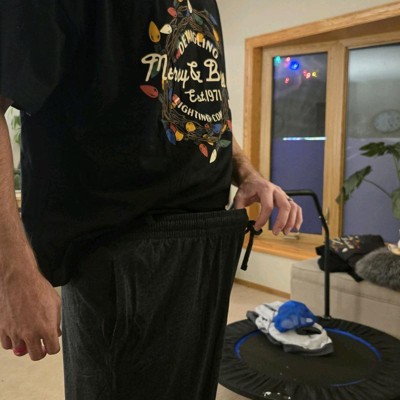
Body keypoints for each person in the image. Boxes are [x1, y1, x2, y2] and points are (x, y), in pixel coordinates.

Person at [0, 1, 302, 399]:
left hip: (208, 244)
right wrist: (13, 273)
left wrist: (248, 174)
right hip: (120, 254)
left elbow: (206, 107)